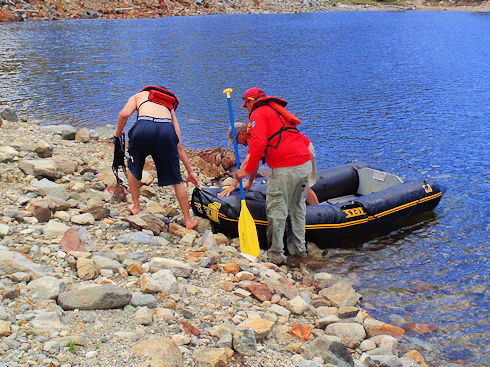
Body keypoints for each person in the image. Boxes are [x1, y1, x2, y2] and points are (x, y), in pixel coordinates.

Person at [233, 87, 313, 265]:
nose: (247, 110)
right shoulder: (277, 111)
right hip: (304, 163)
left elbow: (259, 144)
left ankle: (276, 254)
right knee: (297, 208)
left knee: (277, 209)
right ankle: (300, 252)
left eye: (246, 106)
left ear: (251, 101)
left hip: (285, 166)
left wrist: (246, 171)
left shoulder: (258, 112)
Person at [113, 86, 200, 229]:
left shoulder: (139, 96)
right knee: (176, 179)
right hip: (166, 129)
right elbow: (179, 146)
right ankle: (188, 220)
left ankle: (135, 206)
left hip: (143, 127)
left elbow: (124, 115)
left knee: (134, 167)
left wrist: (118, 132)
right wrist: (190, 172)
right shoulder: (169, 105)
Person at [219, 122, 319, 206]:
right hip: (297, 150)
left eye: (236, 141)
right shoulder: (252, 137)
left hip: (302, 149)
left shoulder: (255, 138)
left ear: (241, 134)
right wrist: (250, 183)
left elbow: (246, 163)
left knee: (300, 184)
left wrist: (233, 185)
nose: (238, 144)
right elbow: (254, 163)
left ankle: (318, 211)